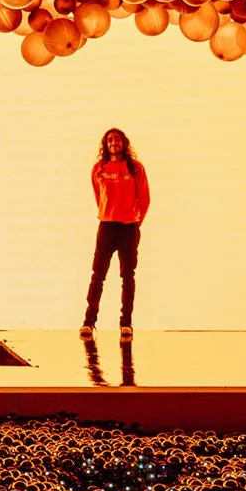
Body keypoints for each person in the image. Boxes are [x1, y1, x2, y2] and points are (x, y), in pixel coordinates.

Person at [82, 128, 149, 337]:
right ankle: (88, 322)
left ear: (124, 143)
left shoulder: (135, 168)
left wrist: (136, 223)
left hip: (129, 227)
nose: (114, 143)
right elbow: (99, 197)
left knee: (128, 276)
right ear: (105, 144)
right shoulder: (99, 169)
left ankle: (126, 323)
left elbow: (144, 199)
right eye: (110, 140)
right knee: (97, 275)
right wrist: (106, 214)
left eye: (117, 139)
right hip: (107, 227)